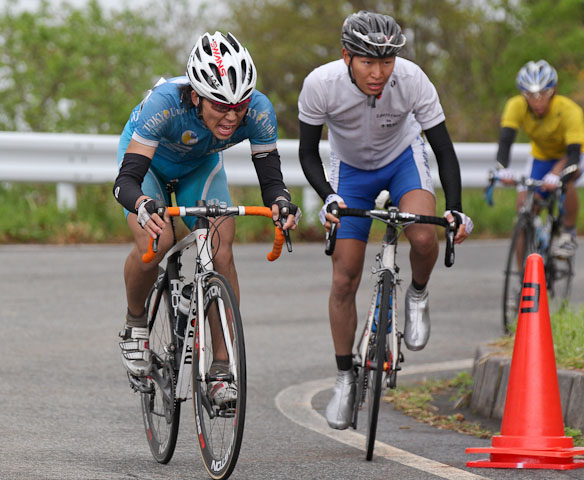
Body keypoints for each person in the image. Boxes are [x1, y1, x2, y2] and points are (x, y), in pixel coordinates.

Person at [297, 11, 473, 430]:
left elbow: (444, 150)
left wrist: (456, 206)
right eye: (367, 62)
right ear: (346, 57)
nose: (378, 73)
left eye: (386, 62)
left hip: (401, 161)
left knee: (426, 237)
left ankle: (417, 293)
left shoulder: (412, 79)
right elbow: (307, 153)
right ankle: (344, 376)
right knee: (344, 276)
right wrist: (329, 197)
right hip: (351, 172)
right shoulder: (320, 85)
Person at [113, 31, 300, 405]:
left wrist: (281, 202)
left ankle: (220, 366)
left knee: (221, 249)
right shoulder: (165, 105)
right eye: (220, 106)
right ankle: (135, 324)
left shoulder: (259, 110)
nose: (232, 117)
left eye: (239, 106)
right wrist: (144, 205)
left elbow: (271, 180)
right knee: (158, 239)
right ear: (196, 96)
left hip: (200, 167)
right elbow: (126, 182)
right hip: (149, 166)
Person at [495, 60, 582, 258]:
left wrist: (558, 176)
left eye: (544, 94)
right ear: (522, 94)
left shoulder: (569, 110)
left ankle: (568, 233)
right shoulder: (515, 106)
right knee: (522, 215)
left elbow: (574, 154)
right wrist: (501, 168)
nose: (538, 102)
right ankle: (521, 281)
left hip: (568, 156)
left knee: (565, 181)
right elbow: (505, 141)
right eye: (530, 96)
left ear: (554, 91)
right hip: (540, 156)